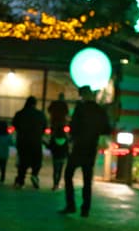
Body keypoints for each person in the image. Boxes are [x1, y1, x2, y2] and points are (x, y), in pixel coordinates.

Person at [61, 85, 112, 218]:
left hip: (79, 147)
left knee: (68, 175)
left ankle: (71, 205)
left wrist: (73, 137)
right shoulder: (99, 110)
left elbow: (73, 128)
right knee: (87, 179)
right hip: (91, 148)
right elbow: (106, 129)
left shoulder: (80, 108)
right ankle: (85, 209)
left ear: (82, 95)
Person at [11, 96, 48, 189]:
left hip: (23, 141)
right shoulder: (40, 114)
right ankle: (34, 175)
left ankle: (21, 180)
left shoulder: (20, 113)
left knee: (23, 161)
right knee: (36, 160)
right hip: (36, 141)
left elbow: (15, 125)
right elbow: (45, 126)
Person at [47, 127, 69, 192]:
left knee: (55, 171)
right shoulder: (65, 139)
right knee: (60, 171)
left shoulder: (53, 138)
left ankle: (54, 184)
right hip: (62, 157)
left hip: (55, 157)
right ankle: (57, 184)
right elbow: (67, 149)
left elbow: (50, 147)